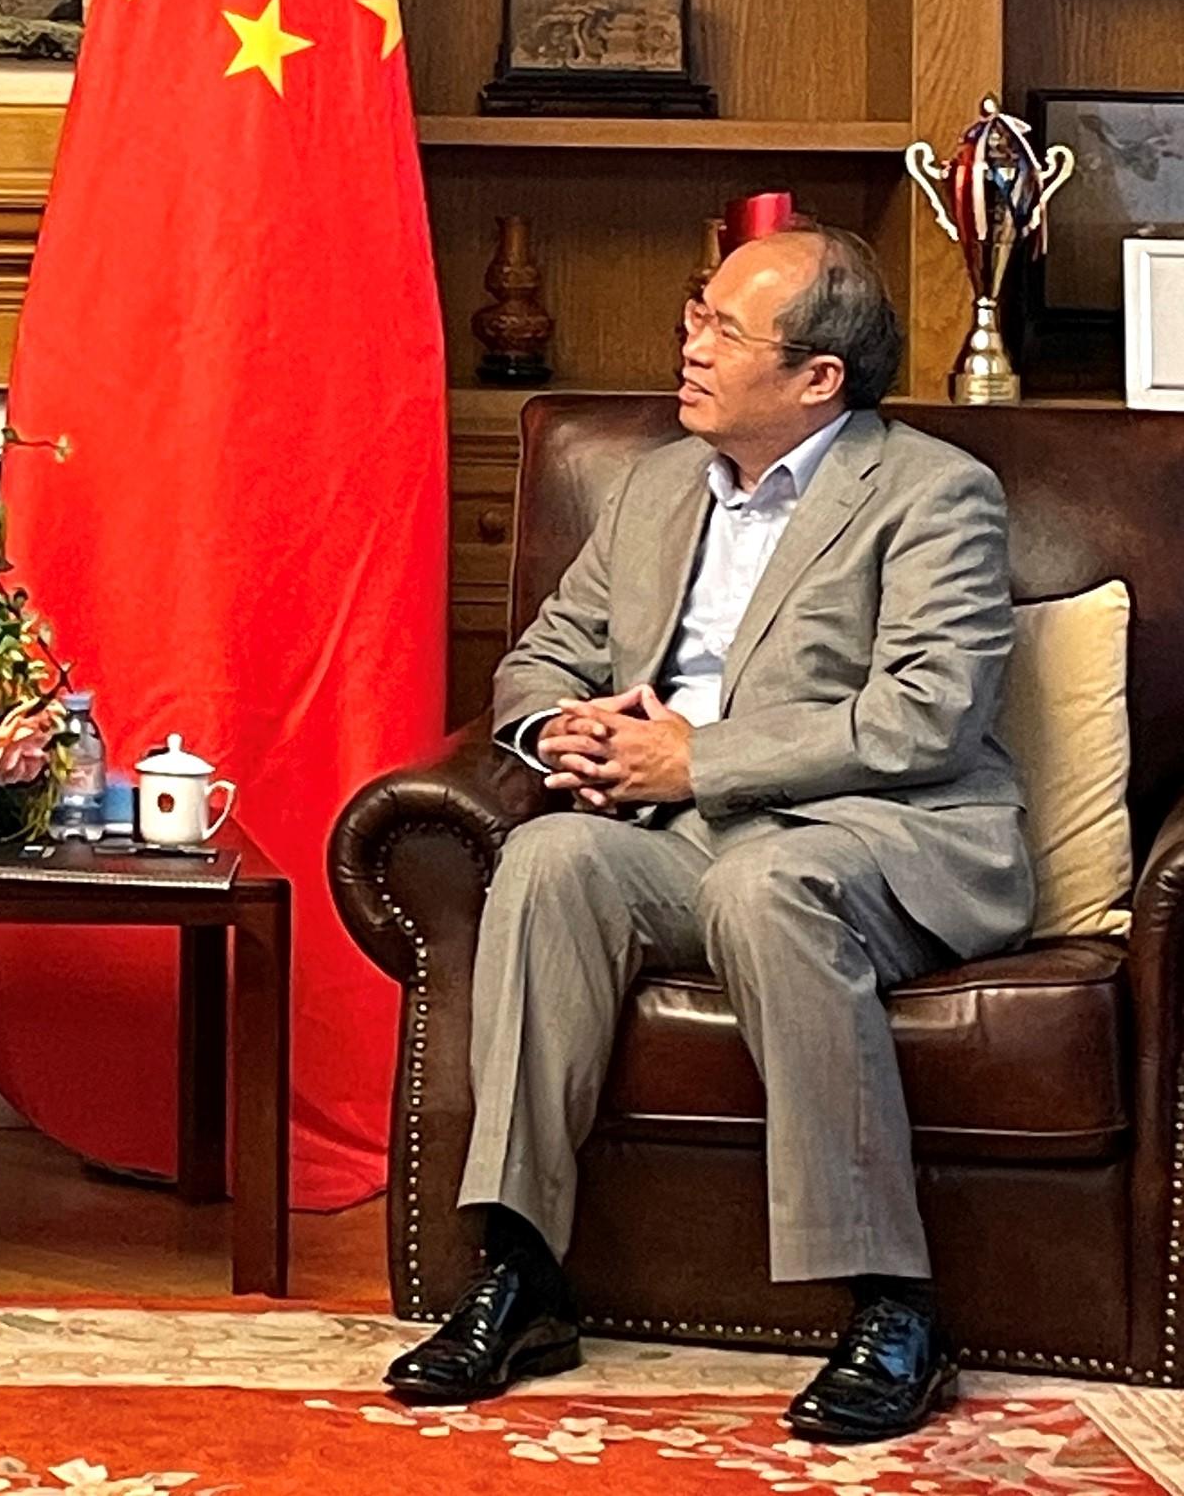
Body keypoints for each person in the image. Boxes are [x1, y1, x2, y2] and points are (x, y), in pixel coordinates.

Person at [384, 222, 1029, 1444]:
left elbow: (929, 712)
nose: (687, 344)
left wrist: (698, 755)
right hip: (682, 834)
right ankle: (520, 1271)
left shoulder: (933, 492)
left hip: (876, 832)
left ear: (817, 378)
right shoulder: (653, 482)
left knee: (766, 886)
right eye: (695, 315)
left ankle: (893, 1303)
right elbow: (544, 655)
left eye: (723, 329)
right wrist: (554, 732)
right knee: (548, 856)